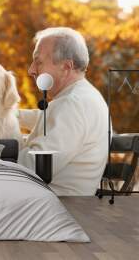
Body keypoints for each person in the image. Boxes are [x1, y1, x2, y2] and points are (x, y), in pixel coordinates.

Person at [17, 27, 110, 196]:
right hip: (56, 202)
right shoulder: (83, 97)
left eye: (38, 62)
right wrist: (11, 116)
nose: (31, 70)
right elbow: (47, 119)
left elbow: (32, 168)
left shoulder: (72, 104)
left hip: (50, 208)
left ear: (66, 67)